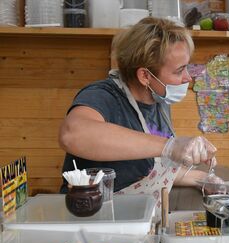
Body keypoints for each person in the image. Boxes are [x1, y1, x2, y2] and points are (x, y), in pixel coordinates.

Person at [59, 17, 217, 194]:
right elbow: (72, 134)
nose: (188, 78)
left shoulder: (159, 102)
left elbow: (152, 171)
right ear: (145, 76)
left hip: (140, 215)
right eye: (179, 70)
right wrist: (170, 146)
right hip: (94, 216)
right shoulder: (103, 95)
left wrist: (203, 179)